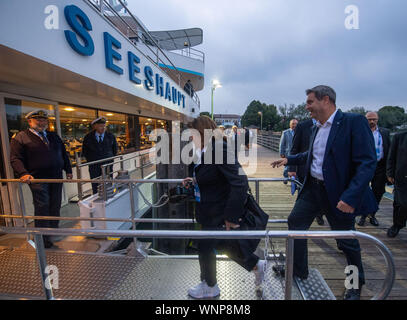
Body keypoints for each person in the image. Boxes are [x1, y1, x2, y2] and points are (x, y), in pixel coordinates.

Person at [271, 85, 377, 300]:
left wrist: (350, 196)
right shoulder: (315, 127)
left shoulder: (352, 122)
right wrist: (290, 159)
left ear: (326, 100)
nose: (306, 106)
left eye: (310, 102)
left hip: (339, 193)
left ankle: (354, 285)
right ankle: (299, 270)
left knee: (346, 240)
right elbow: (315, 154)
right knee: (296, 225)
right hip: (312, 189)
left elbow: (367, 162)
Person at [184, 116, 265, 299]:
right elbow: (213, 175)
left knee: (205, 247)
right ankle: (255, 265)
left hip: (218, 211)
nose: (189, 137)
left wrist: (232, 216)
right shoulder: (205, 151)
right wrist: (195, 180)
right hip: (208, 210)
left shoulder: (219, 149)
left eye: (192, 133)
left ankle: (210, 286)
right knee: (220, 244)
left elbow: (240, 182)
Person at [10, 109, 73, 248]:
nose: (42, 122)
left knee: (55, 204)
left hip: (56, 177)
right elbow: (15, 158)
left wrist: (68, 170)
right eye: (38, 120)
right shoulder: (21, 137)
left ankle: (52, 230)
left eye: (44, 120)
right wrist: (23, 173)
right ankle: (43, 237)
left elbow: (63, 154)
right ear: (29, 121)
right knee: (42, 206)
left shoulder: (53, 136)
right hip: (38, 178)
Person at [287, 118, 325, 226]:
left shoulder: (331, 125)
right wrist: (292, 168)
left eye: (311, 102)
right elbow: (294, 148)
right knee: (301, 205)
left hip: (325, 174)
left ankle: (320, 214)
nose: (307, 108)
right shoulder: (302, 126)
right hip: (304, 170)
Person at [357, 112, 391, 227]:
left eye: (374, 119)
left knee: (378, 191)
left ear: (378, 120)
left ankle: (372, 214)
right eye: (369, 119)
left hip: (380, 166)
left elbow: (389, 151)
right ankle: (362, 215)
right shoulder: (359, 132)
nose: (372, 122)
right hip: (364, 166)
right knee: (363, 190)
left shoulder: (385, 133)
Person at [82, 117, 118, 194]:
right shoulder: (88, 137)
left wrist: (110, 160)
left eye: (104, 126)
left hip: (107, 164)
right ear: (95, 126)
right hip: (94, 165)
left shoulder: (110, 136)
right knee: (95, 183)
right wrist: (92, 160)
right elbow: (85, 152)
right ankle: (96, 195)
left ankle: (109, 194)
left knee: (108, 181)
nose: (103, 128)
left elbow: (115, 150)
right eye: (101, 126)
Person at [386, 131, 407, 238]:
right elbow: (391, 156)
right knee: (400, 204)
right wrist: (390, 173)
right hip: (402, 177)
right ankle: (397, 225)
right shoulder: (399, 137)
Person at [279, 119, 298, 184]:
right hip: (288, 153)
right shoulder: (285, 132)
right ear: (290, 124)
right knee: (287, 167)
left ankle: (295, 181)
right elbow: (282, 144)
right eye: (293, 124)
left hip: (297, 153)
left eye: (296, 124)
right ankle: (285, 178)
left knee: (296, 167)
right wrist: (281, 152)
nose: (294, 125)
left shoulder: (299, 132)